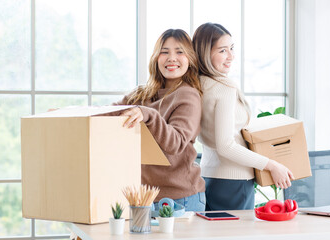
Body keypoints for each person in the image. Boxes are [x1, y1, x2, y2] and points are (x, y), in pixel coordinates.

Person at [192, 23, 294, 210]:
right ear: (205, 54)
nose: (231, 56)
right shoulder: (223, 87)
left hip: (209, 177)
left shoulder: (196, 85)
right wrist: (272, 165)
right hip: (234, 182)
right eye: (223, 50)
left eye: (232, 48)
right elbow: (226, 145)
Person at [113, 29, 206, 212]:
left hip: (182, 199)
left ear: (190, 59)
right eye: (165, 52)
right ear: (156, 57)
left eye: (180, 52)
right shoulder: (142, 94)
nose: (171, 58)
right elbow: (111, 112)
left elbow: (176, 143)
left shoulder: (188, 95)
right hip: (145, 197)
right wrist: (71, 113)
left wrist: (148, 114)